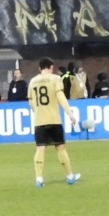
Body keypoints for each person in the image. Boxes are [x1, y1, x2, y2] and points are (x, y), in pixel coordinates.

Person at [28, 58, 79, 187]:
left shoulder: (33, 81)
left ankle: (39, 179)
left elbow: (31, 102)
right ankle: (69, 176)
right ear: (51, 67)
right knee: (60, 146)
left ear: (40, 68)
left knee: (40, 148)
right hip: (54, 119)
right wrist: (69, 113)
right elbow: (60, 97)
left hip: (39, 120)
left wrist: (38, 111)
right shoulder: (56, 79)